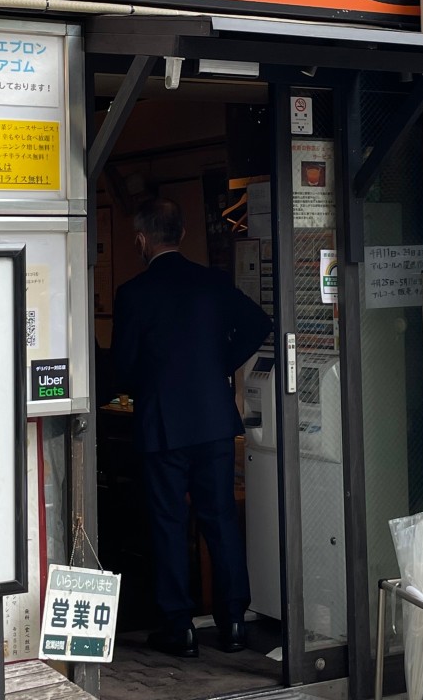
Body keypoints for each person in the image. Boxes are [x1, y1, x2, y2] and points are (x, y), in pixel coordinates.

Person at [110, 197, 273, 658]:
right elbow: (258, 322)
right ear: (181, 235)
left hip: (161, 424)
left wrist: (150, 379)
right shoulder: (212, 283)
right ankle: (235, 623)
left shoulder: (133, 294)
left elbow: (122, 368)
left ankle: (178, 626)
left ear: (141, 240)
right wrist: (216, 365)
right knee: (219, 519)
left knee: (168, 523)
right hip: (213, 419)